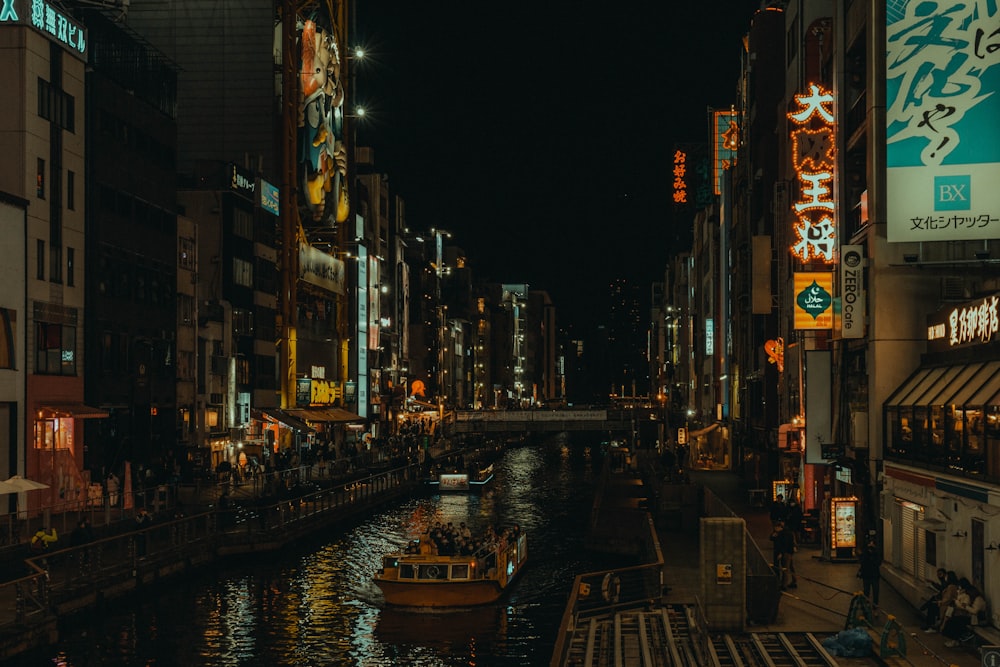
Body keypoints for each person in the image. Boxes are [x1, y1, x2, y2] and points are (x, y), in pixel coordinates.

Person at [942, 578, 986, 647]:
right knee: (952, 620)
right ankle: (955, 639)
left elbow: (975, 611)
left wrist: (966, 607)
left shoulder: (978, 600)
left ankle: (957, 639)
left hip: (978, 619)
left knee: (957, 621)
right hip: (971, 617)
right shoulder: (971, 598)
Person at [770, 520, 797, 589]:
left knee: (785, 568)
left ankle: (784, 584)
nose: (775, 529)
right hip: (789, 552)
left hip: (786, 553)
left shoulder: (783, 534)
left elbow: (784, 545)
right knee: (790, 567)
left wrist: (781, 553)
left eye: (776, 528)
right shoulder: (787, 532)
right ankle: (794, 581)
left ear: (779, 527)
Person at [857, 540, 882, 608]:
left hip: (873, 575)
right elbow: (863, 562)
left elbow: (878, 562)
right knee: (866, 591)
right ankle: (866, 605)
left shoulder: (876, 553)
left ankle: (875, 606)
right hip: (867, 575)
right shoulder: (865, 553)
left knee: (875, 592)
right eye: (869, 544)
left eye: (872, 544)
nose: (871, 547)